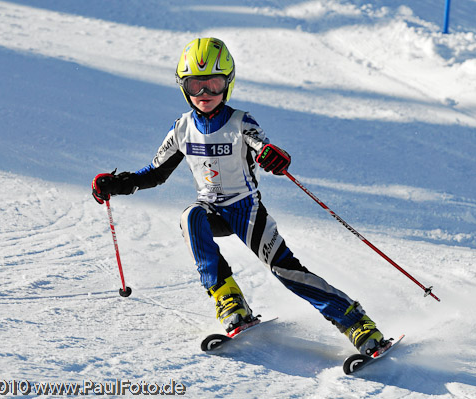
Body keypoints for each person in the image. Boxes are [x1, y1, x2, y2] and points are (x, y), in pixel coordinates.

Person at [92, 37, 390, 356]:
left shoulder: (240, 122)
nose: (205, 95)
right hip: (211, 211)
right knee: (190, 216)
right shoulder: (182, 128)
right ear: (183, 87)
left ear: (228, 84)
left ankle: (357, 323)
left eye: (214, 85)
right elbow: (154, 173)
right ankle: (229, 300)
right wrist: (116, 184)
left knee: (286, 271)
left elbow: (265, 148)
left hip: (246, 211)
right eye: (196, 86)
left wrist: (275, 157)